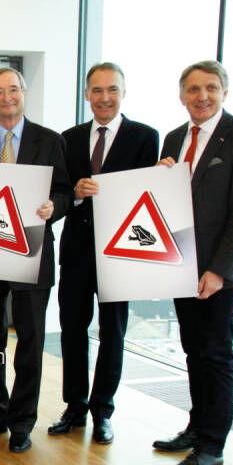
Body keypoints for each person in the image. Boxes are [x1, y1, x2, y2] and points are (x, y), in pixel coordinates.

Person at [153, 60, 233, 465]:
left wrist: (219, 270)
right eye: (194, 89)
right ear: (182, 95)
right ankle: (197, 427)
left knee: (216, 354)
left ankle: (212, 448)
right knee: (193, 349)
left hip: (220, 270)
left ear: (224, 92)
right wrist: (157, 179)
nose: (202, 96)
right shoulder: (174, 138)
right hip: (182, 263)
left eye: (211, 88)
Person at [0, 68, 71, 453]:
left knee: (30, 341)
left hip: (33, 253)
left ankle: (22, 422)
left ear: (23, 94)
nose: (6, 97)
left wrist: (53, 206)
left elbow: (65, 190)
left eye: (13, 90)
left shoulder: (51, 140)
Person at [51, 63, 159, 444]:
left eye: (112, 89)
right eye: (97, 90)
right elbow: (59, 192)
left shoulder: (146, 137)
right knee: (72, 331)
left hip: (121, 252)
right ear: (86, 95)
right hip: (78, 250)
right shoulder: (69, 138)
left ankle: (103, 411)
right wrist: (76, 194)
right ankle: (74, 407)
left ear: (123, 93)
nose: (105, 97)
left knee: (113, 334)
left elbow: (147, 194)